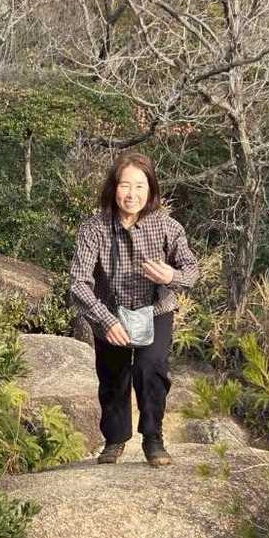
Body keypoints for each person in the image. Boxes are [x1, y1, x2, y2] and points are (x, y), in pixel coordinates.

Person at [69, 153, 199, 467]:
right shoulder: (94, 229)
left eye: (140, 186)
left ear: (151, 189)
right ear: (113, 187)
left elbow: (192, 271)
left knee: (150, 367)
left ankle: (153, 438)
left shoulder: (167, 226)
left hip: (155, 310)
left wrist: (171, 276)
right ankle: (115, 440)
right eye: (125, 185)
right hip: (109, 312)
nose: (132, 194)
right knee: (113, 375)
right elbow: (78, 283)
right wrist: (105, 320)